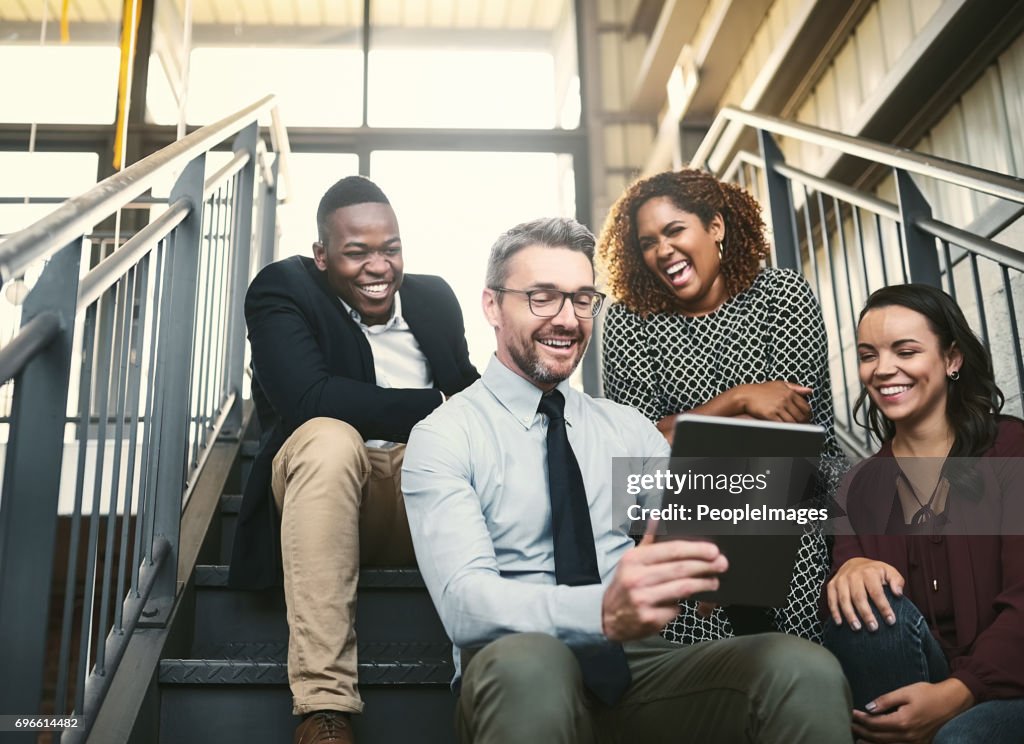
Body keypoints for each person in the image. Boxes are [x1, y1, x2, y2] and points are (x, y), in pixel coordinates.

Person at [402, 217, 852, 744]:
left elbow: (691, 529)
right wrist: (602, 609)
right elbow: (465, 605)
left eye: (582, 299)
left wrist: (719, 552)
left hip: (639, 666)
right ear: (492, 306)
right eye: (542, 298)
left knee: (802, 667)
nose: (567, 320)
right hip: (516, 662)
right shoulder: (446, 435)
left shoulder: (625, 429)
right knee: (531, 666)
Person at [227, 176, 479, 744]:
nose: (378, 267)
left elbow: (472, 393)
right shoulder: (282, 289)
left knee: (484, 449)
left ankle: (493, 682)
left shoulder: (434, 297)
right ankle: (323, 708)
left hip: (421, 500)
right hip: (333, 492)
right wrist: (439, 405)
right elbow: (308, 398)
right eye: (357, 252)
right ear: (322, 256)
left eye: (390, 248)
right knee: (328, 435)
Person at [597, 168, 846, 643]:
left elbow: (786, 428)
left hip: (789, 492)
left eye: (674, 231)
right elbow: (636, 446)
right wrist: (741, 398)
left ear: (715, 227)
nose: (662, 250)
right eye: (648, 242)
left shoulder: (782, 295)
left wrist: (678, 427)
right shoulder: (630, 320)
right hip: (679, 503)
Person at [823, 283, 1024, 743]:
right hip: (910, 679)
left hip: (1010, 688)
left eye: (906, 351)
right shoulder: (857, 487)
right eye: (868, 354)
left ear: (952, 359)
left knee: (959, 738)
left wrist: (960, 692)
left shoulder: (1011, 452)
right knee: (860, 600)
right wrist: (850, 567)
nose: (883, 369)